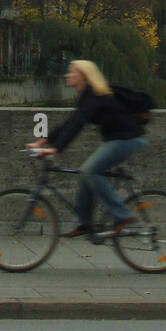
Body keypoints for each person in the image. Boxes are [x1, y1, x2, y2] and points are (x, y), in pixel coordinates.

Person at [26, 58, 148, 238]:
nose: (67, 74)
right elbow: (71, 122)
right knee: (85, 176)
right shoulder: (88, 95)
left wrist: (56, 149)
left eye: (71, 71)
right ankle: (85, 224)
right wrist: (43, 142)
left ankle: (123, 215)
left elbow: (78, 125)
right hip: (118, 139)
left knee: (89, 171)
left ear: (82, 76)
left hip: (128, 139)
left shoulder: (94, 95)